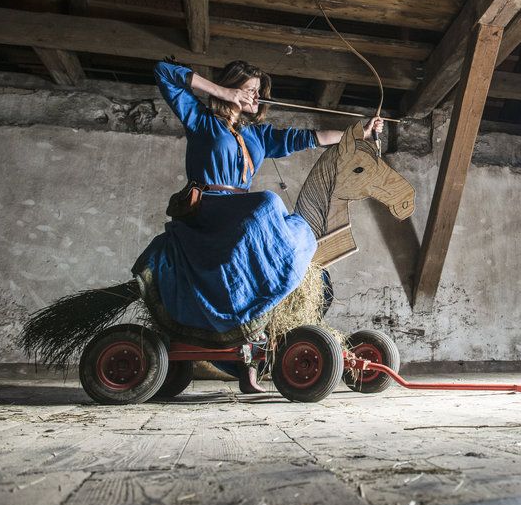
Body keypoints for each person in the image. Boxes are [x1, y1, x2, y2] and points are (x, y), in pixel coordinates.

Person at [133, 60, 382, 393]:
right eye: (250, 89)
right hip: (208, 211)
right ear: (232, 87)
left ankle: (252, 353)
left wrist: (360, 133)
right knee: (267, 204)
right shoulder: (201, 120)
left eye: (258, 92)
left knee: (301, 225)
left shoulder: (258, 134)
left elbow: (311, 138)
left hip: (240, 217)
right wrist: (223, 92)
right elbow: (164, 72)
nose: (255, 97)